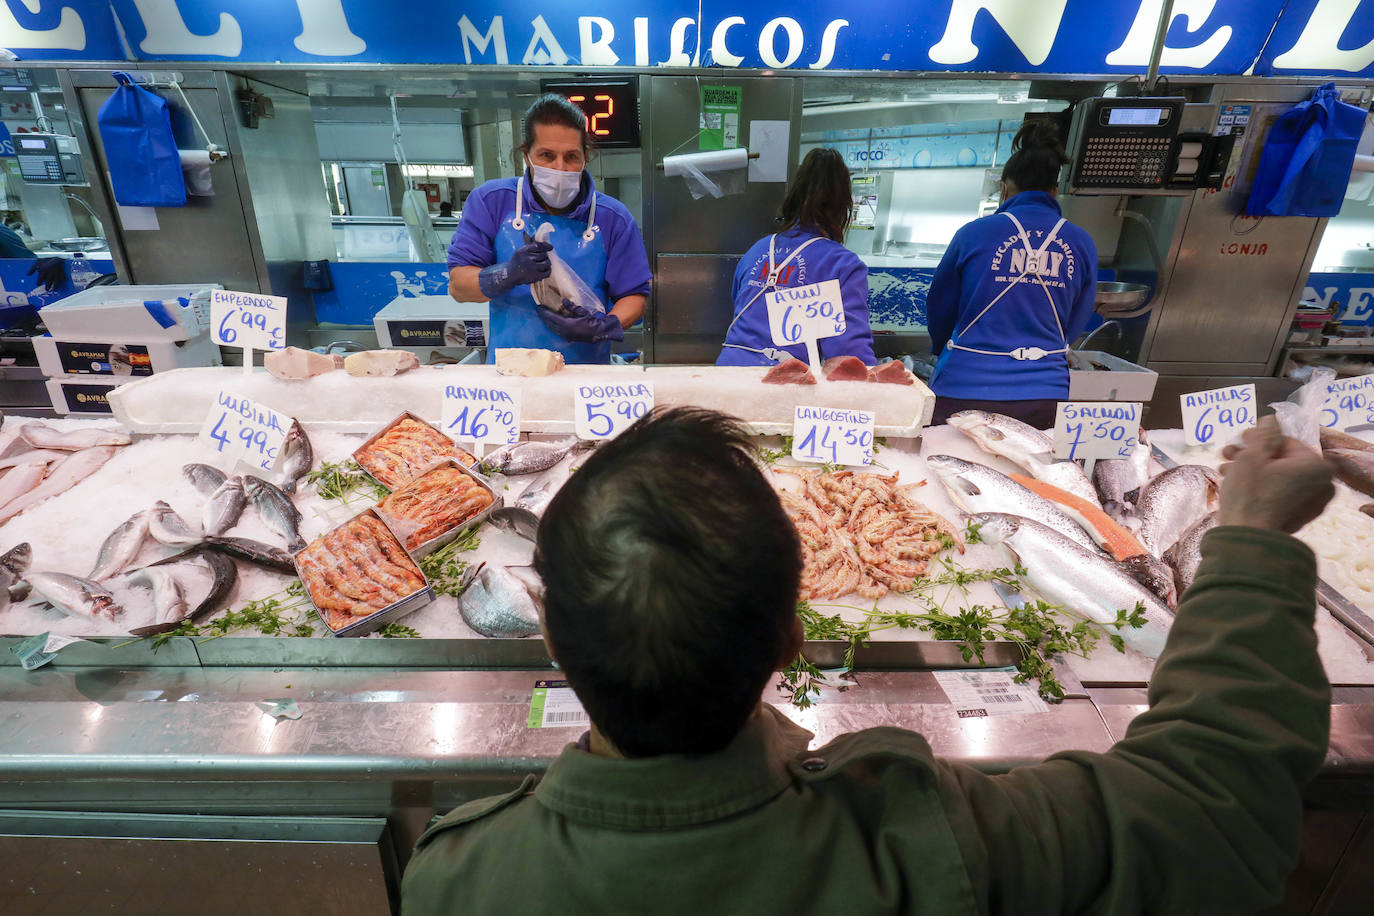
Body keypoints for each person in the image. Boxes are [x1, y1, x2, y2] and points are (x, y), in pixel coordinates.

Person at [402, 410, 1335, 915]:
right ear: (791, 640)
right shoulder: (941, 845)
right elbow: (1215, 801)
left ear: (552, 638)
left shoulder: (454, 879)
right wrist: (1251, 535)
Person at [446, 94, 652, 364]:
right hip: (511, 375)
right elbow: (459, 286)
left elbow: (634, 296)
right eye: (546, 155)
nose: (560, 168)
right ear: (526, 155)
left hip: (586, 376)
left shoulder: (613, 218)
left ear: (586, 156)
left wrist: (604, 326)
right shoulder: (491, 202)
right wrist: (507, 273)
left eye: (571, 157)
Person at [926, 120, 1098, 428]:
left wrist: (943, 348)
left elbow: (940, 306)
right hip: (1044, 396)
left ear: (1005, 189)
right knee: (1032, 478)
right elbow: (1073, 323)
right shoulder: (1082, 242)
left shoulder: (973, 234)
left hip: (963, 389)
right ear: (1055, 192)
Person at [717, 148, 875, 367]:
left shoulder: (758, 249)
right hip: (782, 383)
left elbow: (740, 306)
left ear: (793, 196)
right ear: (843, 206)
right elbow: (848, 356)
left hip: (728, 373)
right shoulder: (842, 265)